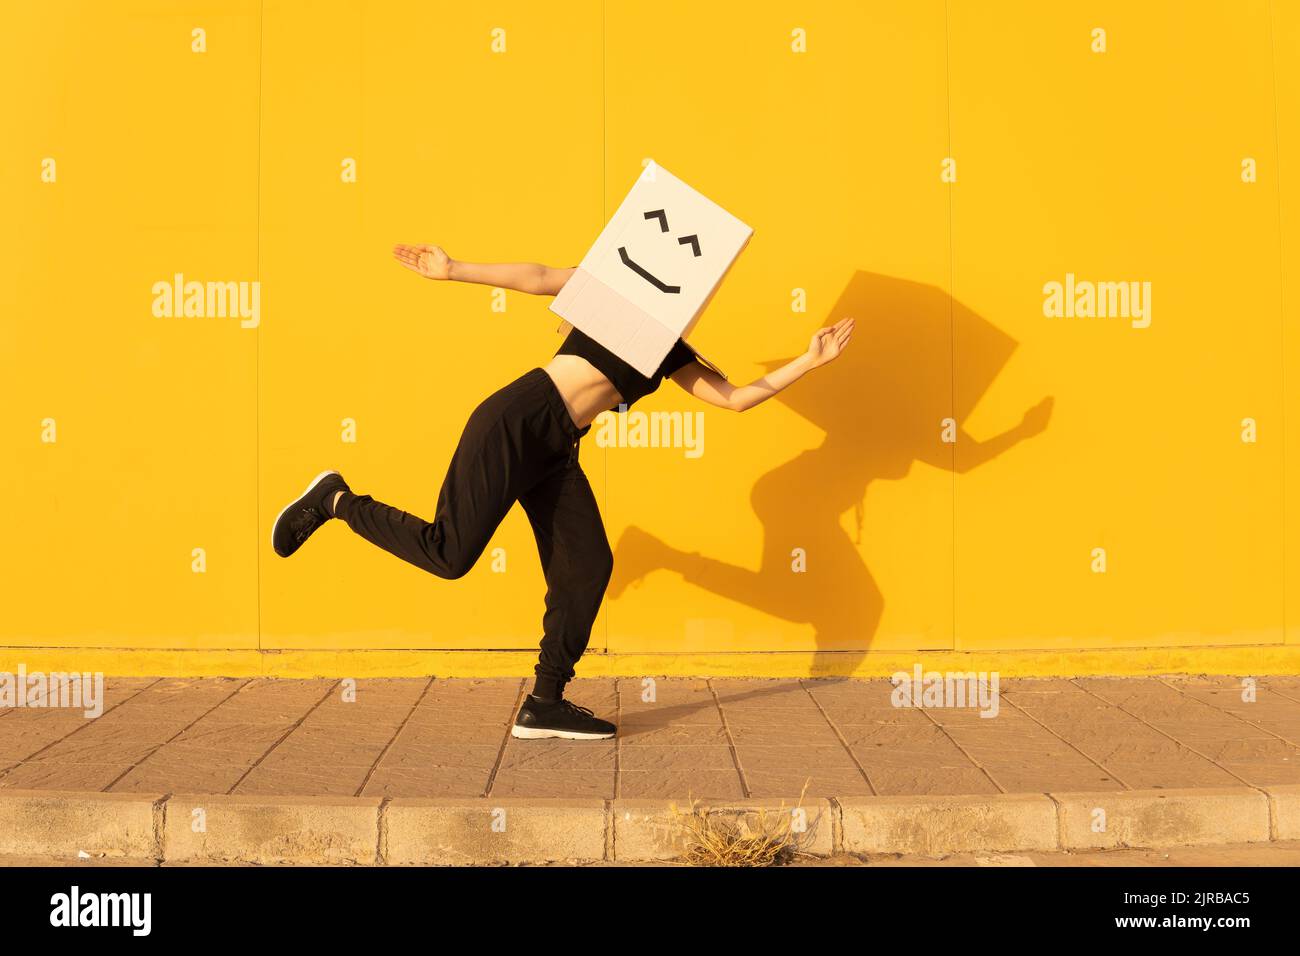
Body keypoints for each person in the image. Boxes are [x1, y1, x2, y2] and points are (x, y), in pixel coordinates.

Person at [271, 243, 854, 740]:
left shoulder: (670, 347)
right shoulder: (614, 292)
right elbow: (538, 277)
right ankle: (335, 501)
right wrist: (453, 270)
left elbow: (734, 398)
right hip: (518, 420)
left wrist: (810, 359)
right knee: (449, 555)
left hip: (557, 447)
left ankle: (545, 701)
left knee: (589, 566)